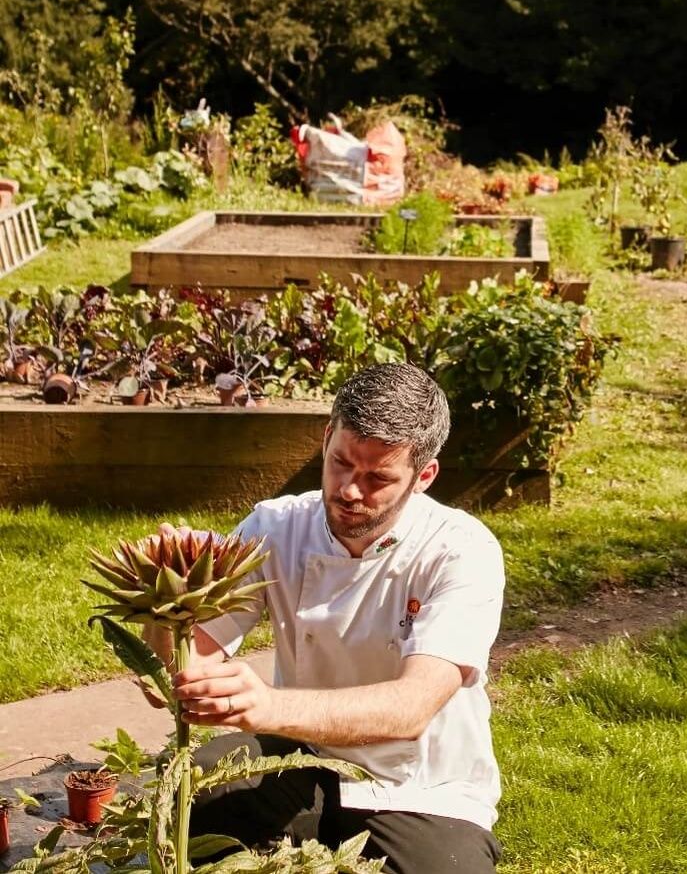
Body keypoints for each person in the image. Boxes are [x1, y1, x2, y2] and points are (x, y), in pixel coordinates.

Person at [145, 363, 505, 874]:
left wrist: (265, 705)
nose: (350, 490)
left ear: (423, 476)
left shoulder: (460, 550)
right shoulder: (275, 527)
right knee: (191, 792)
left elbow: (412, 706)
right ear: (326, 436)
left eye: (378, 477)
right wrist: (171, 599)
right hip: (301, 753)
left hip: (418, 784)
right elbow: (175, 676)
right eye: (340, 463)